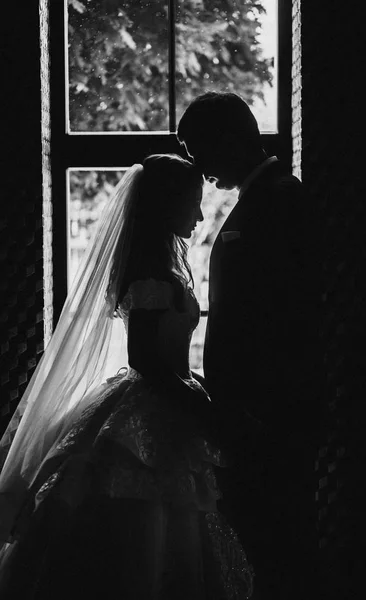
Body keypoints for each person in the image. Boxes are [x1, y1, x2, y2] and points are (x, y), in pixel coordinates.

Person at [0, 154, 254, 599]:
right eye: (192, 203)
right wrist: (202, 405)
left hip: (167, 396)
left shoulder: (164, 267)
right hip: (154, 407)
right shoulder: (150, 273)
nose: (198, 214)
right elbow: (145, 359)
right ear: (165, 204)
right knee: (146, 531)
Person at [178, 92, 323, 598]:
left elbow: (295, 316)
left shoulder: (282, 199)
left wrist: (262, 410)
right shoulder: (258, 200)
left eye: (198, 147)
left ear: (233, 138)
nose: (196, 163)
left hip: (270, 416)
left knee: (278, 546)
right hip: (249, 415)